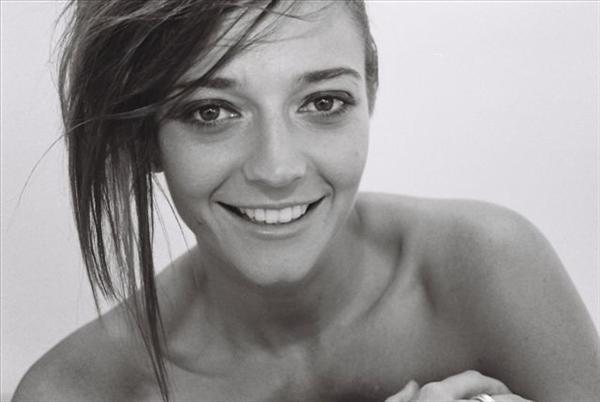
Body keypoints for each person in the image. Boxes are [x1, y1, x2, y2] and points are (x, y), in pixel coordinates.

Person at [12, 1, 599, 401]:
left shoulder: (487, 266)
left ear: (370, 96)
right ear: (144, 139)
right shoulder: (76, 391)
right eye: (211, 112)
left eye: (322, 102)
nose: (277, 169)